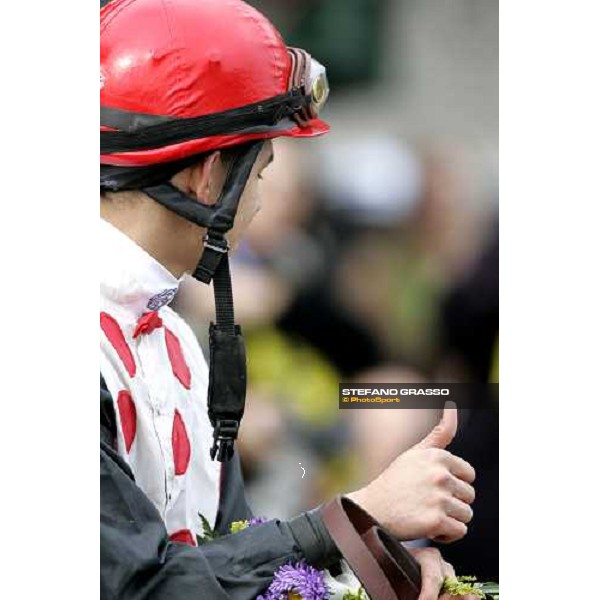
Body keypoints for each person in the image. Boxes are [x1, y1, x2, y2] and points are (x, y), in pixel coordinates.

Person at [100, 1, 477, 598]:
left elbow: (229, 557)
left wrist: (369, 574)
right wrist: (352, 517)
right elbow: (142, 587)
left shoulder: (175, 340)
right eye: (264, 170)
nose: (264, 198)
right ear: (212, 175)